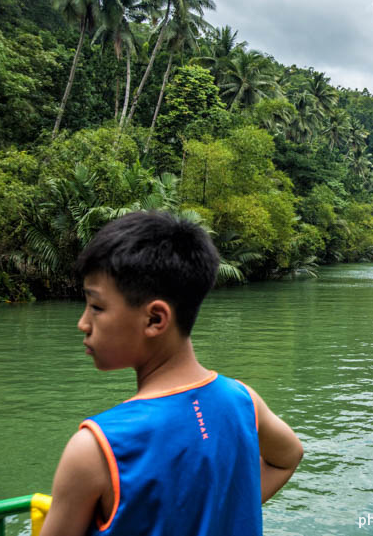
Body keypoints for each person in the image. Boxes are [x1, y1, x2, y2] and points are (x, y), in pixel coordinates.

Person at [40, 211, 303, 536]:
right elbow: (289, 457)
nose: (83, 323)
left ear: (155, 319)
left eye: (96, 307)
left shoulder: (97, 448)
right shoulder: (243, 401)